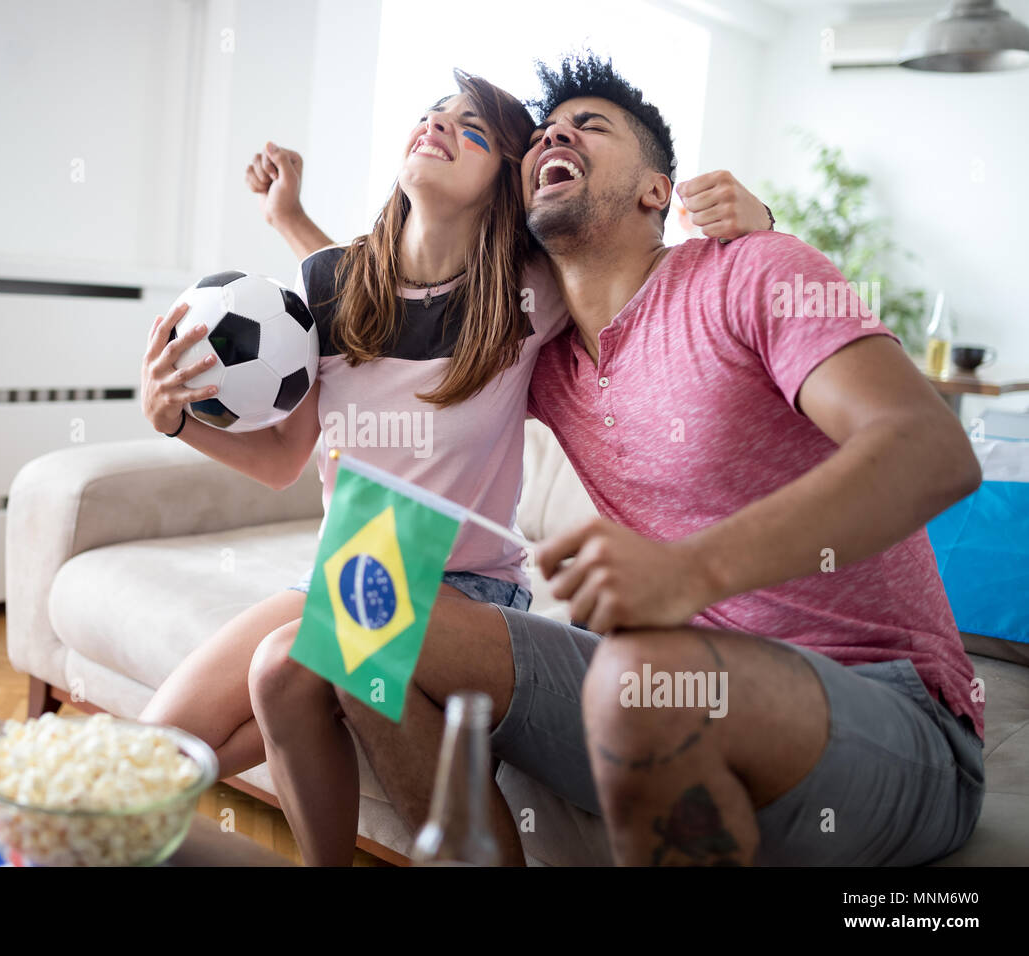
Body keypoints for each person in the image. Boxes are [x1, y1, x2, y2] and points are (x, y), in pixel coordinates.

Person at [249, 52, 985, 866]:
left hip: (893, 713)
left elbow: (932, 451)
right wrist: (289, 228)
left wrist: (692, 572)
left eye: (590, 125)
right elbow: (388, 304)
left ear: (656, 190)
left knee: (642, 683)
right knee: (361, 621)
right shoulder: (543, 356)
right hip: (682, 679)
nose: (556, 133)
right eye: (542, 136)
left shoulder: (751, 271)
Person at [138, 68, 772, 864]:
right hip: (355, 568)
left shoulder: (529, 292)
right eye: (433, 113)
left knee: (279, 671)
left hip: (465, 587)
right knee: (156, 744)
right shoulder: (328, 284)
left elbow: (645, 278)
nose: (438, 125)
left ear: (505, 182)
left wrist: (756, 225)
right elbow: (279, 461)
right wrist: (173, 424)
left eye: (471, 129)